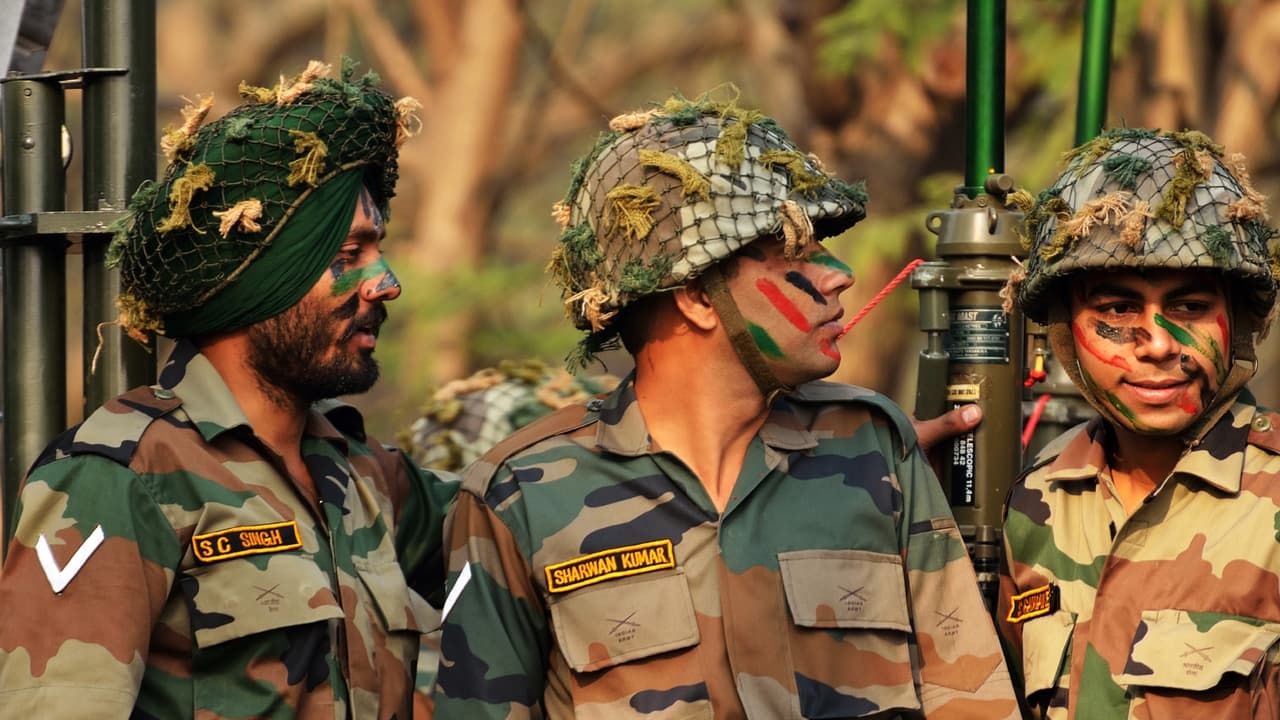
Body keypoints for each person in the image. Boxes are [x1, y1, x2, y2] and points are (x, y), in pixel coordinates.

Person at [430, 90, 1018, 718]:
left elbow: (970, 697)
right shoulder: (521, 495)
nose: (839, 274)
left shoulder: (872, 447)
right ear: (697, 297)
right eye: (796, 251)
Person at [0, 59, 457, 718]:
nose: (386, 283)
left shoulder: (365, 475)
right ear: (258, 279)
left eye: (377, 252)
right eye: (345, 257)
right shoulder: (120, 480)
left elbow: (524, 520)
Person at [999, 128, 1280, 718]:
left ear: (1237, 322)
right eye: (1118, 309)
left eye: (1190, 307)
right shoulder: (1035, 499)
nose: (1157, 343)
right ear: (1066, 330)